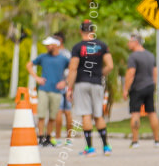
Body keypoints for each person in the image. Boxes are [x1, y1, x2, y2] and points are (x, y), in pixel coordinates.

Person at [66, 19, 114, 156]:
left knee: (86, 114)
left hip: (82, 83)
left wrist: (69, 88)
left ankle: (90, 148)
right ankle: (106, 147)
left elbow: (73, 68)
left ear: (81, 31)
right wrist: (100, 74)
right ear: (93, 30)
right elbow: (110, 65)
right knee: (98, 114)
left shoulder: (77, 47)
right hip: (97, 83)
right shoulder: (102, 45)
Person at [27, 36, 70, 147]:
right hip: (43, 90)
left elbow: (74, 70)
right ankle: (40, 137)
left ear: (56, 45)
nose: (47, 47)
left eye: (49, 45)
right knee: (41, 115)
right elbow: (29, 65)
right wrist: (36, 78)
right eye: (46, 45)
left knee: (52, 117)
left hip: (56, 91)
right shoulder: (43, 57)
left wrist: (65, 82)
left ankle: (48, 138)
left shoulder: (63, 59)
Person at [124, 33, 159, 148]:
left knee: (135, 113)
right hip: (149, 87)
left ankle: (135, 141)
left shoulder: (133, 56)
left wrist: (125, 89)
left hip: (137, 88)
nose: (128, 44)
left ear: (136, 42)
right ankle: (157, 140)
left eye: (130, 41)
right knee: (152, 112)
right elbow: (155, 72)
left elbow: (131, 73)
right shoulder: (150, 55)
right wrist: (153, 85)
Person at [54, 32, 74, 147]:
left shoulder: (64, 54)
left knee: (64, 112)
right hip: (62, 85)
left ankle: (64, 138)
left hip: (64, 86)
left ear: (60, 40)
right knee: (62, 112)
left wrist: (68, 85)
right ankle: (62, 138)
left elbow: (70, 70)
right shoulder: (60, 53)